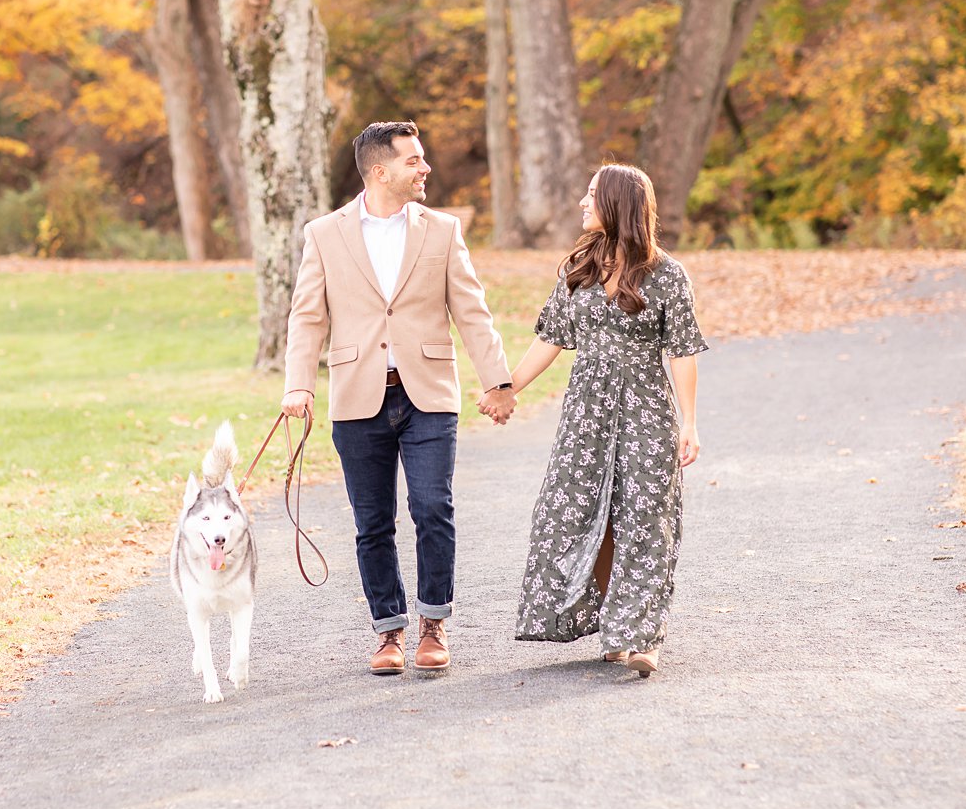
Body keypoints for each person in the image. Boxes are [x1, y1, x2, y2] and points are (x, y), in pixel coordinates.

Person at [282, 120, 516, 676]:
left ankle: (433, 623)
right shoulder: (324, 233)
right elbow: (307, 315)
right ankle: (388, 632)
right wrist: (298, 383)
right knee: (373, 522)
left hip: (428, 393)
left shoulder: (442, 230)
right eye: (414, 160)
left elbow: (471, 310)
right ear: (380, 171)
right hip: (357, 395)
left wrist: (498, 382)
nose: (425, 168)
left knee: (432, 507)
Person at [509, 163, 707, 677]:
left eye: (592, 194)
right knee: (578, 517)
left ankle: (640, 635)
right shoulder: (578, 267)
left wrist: (689, 423)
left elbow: (682, 352)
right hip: (585, 413)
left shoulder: (667, 275)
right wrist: (507, 388)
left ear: (617, 204)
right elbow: (551, 337)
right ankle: (611, 625)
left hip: (645, 407)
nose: (581, 201)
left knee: (644, 519)